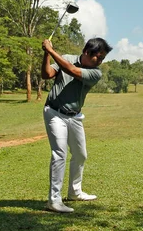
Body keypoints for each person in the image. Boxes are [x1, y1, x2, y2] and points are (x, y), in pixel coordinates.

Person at [41, 37, 112, 213]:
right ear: (87, 52)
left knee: (80, 154)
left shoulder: (96, 73)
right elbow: (47, 74)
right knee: (59, 154)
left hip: (75, 116)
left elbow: (72, 70)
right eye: (99, 57)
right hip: (54, 113)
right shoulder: (66, 57)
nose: (100, 61)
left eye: (103, 58)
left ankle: (75, 192)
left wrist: (50, 50)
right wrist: (46, 55)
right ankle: (54, 201)